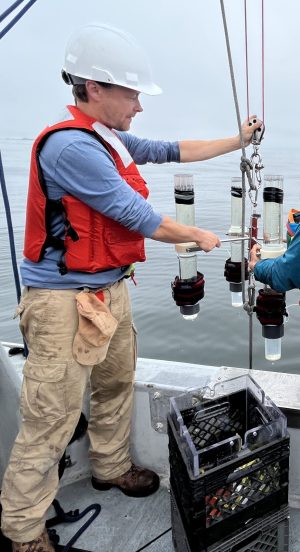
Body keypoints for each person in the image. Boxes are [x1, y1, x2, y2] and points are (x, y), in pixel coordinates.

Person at [0, 22, 261, 552]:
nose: (139, 105)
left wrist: (237, 140)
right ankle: (24, 531)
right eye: (132, 93)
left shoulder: (109, 138)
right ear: (95, 88)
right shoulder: (70, 148)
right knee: (51, 417)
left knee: (116, 384)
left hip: (109, 291)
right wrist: (199, 235)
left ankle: (111, 465)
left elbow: (170, 149)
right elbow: (133, 214)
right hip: (61, 304)